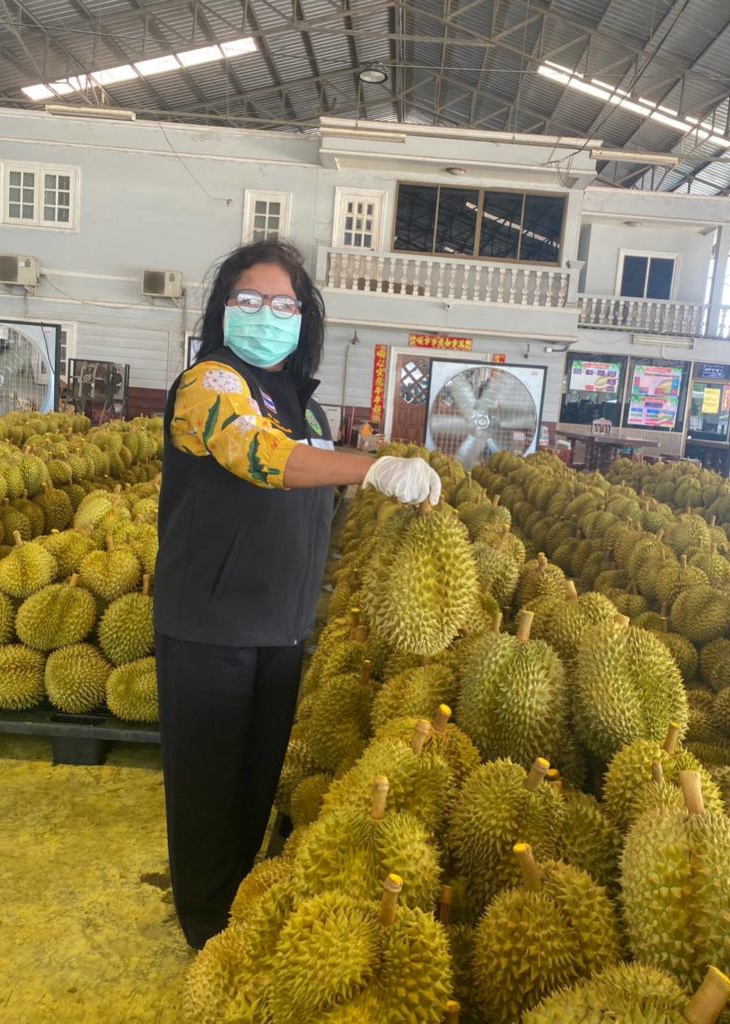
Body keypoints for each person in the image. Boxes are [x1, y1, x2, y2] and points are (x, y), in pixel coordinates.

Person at [153, 240, 440, 950]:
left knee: (252, 784)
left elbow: (310, 497)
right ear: (223, 309)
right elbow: (254, 454)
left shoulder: (301, 402)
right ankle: (203, 928)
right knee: (208, 788)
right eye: (248, 300)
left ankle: (231, 904)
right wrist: (371, 469)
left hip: (281, 624)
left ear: (304, 317)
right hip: (211, 625)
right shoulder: (211, 384)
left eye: (284, 304)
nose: (266, 315)